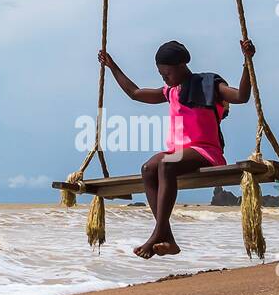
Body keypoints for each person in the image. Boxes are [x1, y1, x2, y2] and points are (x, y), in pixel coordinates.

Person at [97, 39, 256, 258]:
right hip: (177, 153)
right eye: (162, 75)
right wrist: (112, 66)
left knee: (165, 164)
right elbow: (134, 93)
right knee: (148, 168)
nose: (165, 78)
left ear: (182, 66)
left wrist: (247, 62)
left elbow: (241, 97)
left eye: (167, 74)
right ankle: (168, 238)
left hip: (205, 151)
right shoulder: (170, 92)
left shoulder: (209, 84)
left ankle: (158, 233)